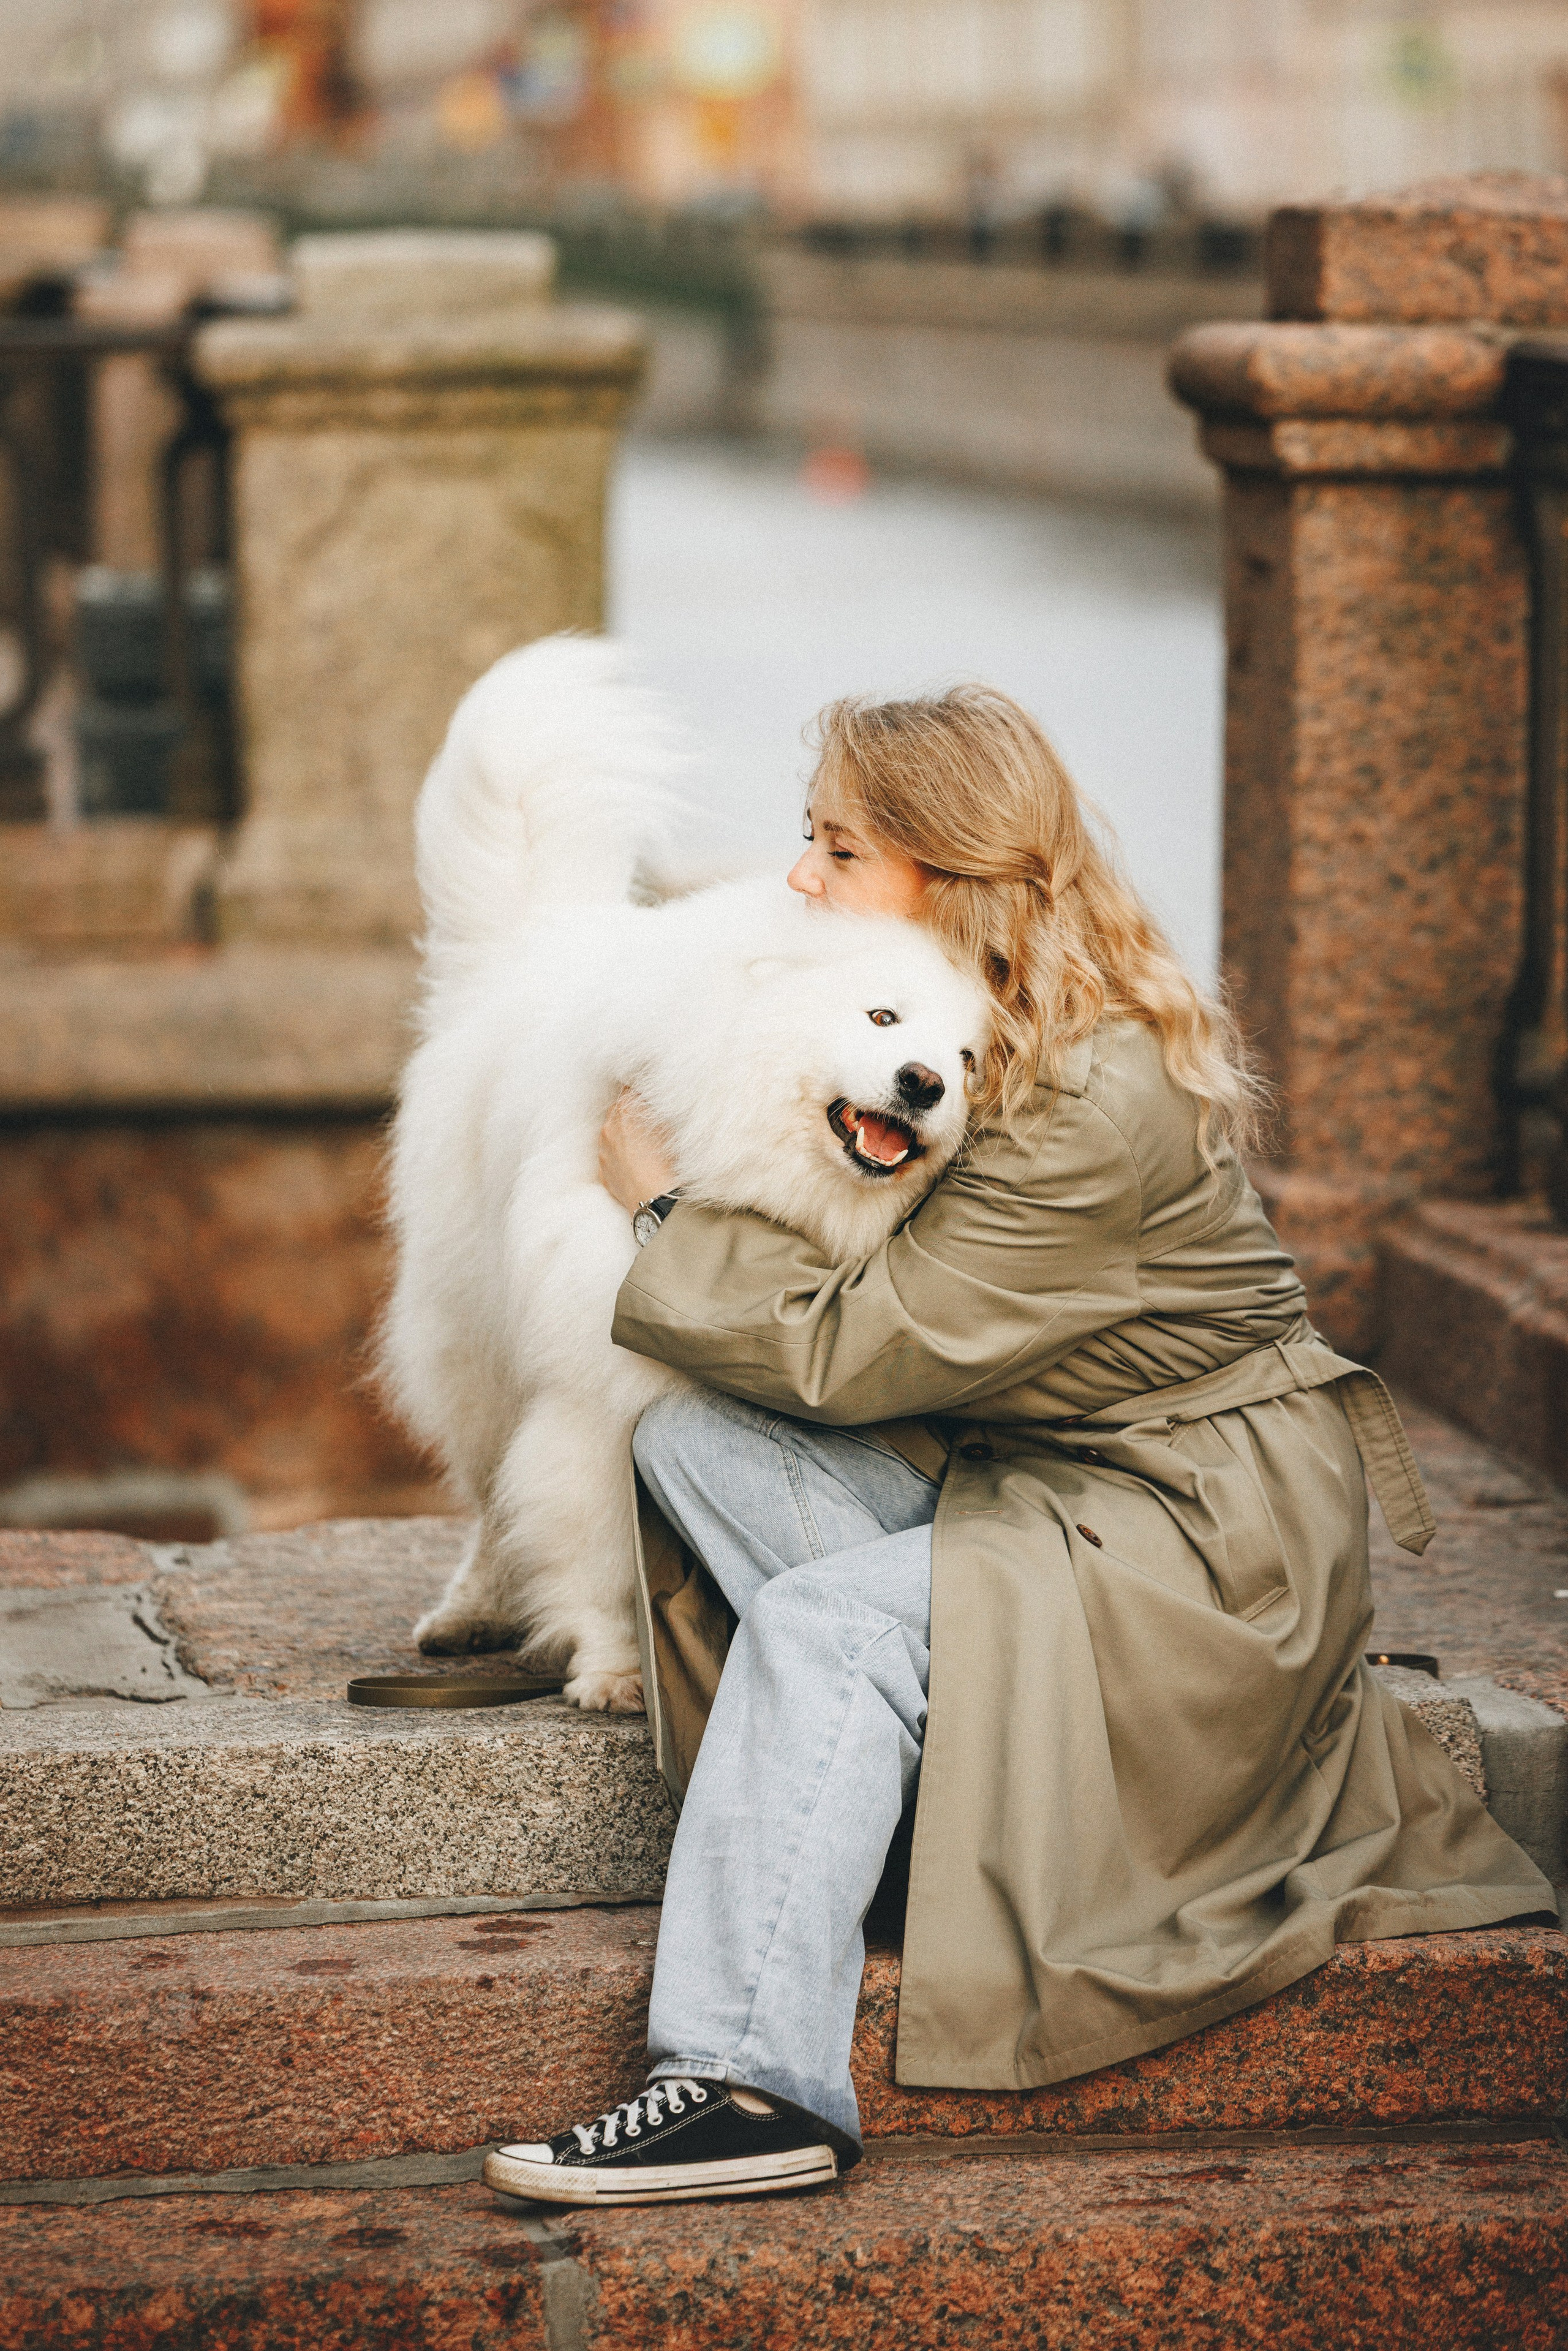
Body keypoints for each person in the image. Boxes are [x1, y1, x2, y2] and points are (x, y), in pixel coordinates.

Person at [483, 686, 1552, 2211]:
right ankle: (913, 1779)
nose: (800, 878)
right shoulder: (981, 1020)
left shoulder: (1084, 1095)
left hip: (1197, 1553)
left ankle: (742, 2082)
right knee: (692, 1430)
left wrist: (662, 1213)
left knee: (825, 1624)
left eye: (836, 846)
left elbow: (854, 1347)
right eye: (807, 837)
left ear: (952, 869)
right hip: (1068, 1498)